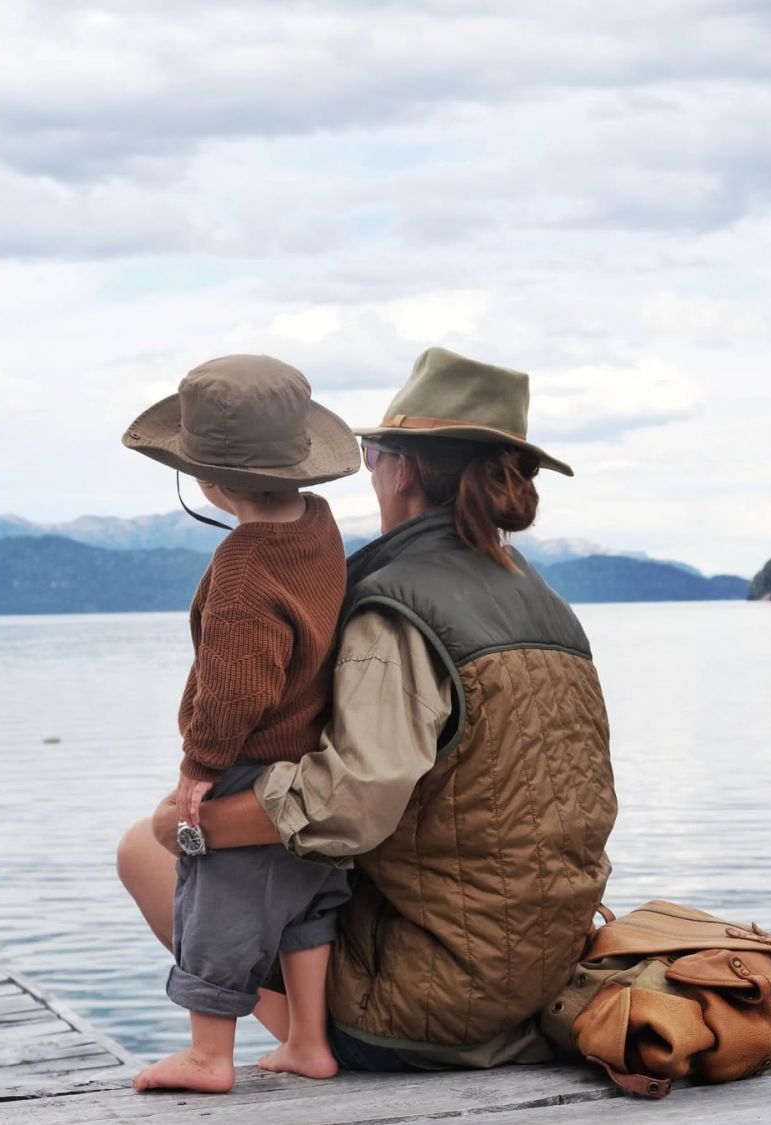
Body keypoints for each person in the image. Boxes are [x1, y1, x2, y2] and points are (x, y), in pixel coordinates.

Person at [118, 346, 617, 1072]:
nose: (369, 465)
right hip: (535, 976)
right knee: (294, 878)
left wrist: (193, 825)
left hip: (430, 1007)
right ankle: (305, 1041)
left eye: (373, 451)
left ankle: (286, 1045)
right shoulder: (546, 603)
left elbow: (350, 800)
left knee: (145, 845)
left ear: (403, 469)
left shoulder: (397, 609)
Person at [121, 354, 360, 1092]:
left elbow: (233, 691)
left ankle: (207, 1056)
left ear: (212, 481)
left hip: (251, 764)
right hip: (309, 757)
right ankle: (310, 1041)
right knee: (304, 906)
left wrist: (199, 766)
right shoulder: (318, 528)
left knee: (215, 907)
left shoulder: (242, 572)